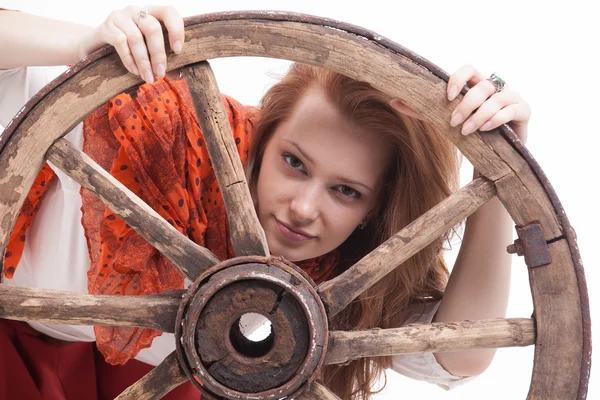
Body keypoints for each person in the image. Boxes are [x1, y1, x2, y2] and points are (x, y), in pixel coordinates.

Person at [0, 5, 531, 400]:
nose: (303, 208)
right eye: (294, 163)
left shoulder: (341, 274)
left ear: (373, 209)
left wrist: (498, 174)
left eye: (345, 191)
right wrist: (81, 45)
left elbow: (461, 353)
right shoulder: (151, 136)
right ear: (258, 139)